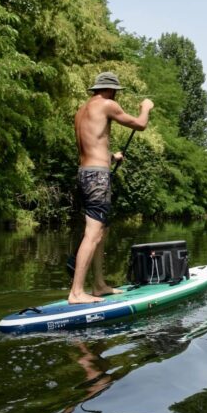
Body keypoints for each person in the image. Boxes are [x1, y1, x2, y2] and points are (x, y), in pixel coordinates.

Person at [69, 72, 153, 304]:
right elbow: (140, 124)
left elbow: (92, 142)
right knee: (93, 233)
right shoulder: (108, 105)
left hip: (86, 174)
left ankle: (98, 285)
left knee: (100, 231)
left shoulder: (82, 111)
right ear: (111, 90)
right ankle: (76, 292)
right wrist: (146, 107)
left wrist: (111, 156)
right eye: (116, 91)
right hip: (97, 178)